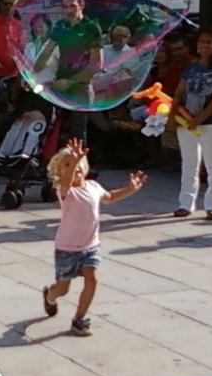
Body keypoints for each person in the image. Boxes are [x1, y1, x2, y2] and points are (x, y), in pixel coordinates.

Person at [41, 138, 146, 336]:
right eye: (67, 165)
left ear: (86, 166)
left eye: (79, 163)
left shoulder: (94, 187)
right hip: (67, 250)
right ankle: (50, 296)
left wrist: (130, 189)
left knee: (92, 279)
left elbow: (111, 197)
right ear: (59, 173)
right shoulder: (66, 192)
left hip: (90, 246)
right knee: (63, 289)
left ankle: (79, 319)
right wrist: (73, 161)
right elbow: (66, 182)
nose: (75, 167)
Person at [170, 27, 212, 220]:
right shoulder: (192, 66)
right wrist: (172, 115)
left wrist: (200, 118)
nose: (204, 46)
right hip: (186, 119)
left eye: (209, 42)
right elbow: (180, 91)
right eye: (201, 42)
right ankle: (185, 203)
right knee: (189, 163)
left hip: (211, 122)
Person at [33, 0, 103, 108]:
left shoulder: (91, 27)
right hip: (59, 84)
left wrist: (71, 82)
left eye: (73, 6)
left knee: (77, 126)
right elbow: (46, 53)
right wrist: (32, 76)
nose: (68, 11)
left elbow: (97, 64)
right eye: (65, 7)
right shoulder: (61, 25)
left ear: (82, 5)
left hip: (81, 87)